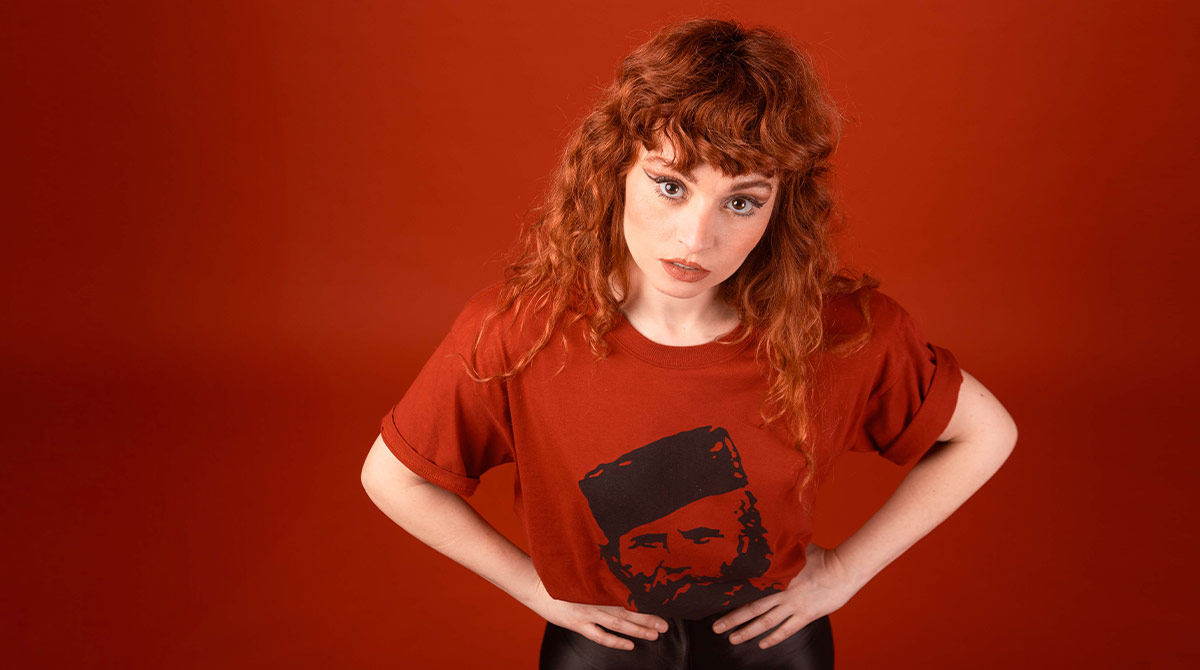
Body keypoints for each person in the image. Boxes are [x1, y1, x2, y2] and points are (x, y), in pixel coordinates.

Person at [360, 17, 1017, 670]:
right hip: (601, 652)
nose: (696, 239)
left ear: (780, 206)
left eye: (742, 201)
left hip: (774, 650)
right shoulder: (520, 330)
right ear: (616, 167)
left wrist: (843, 573)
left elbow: (986, 434)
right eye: (671, 186)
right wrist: (534, 588)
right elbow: (393, 478)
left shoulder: (843, 332)